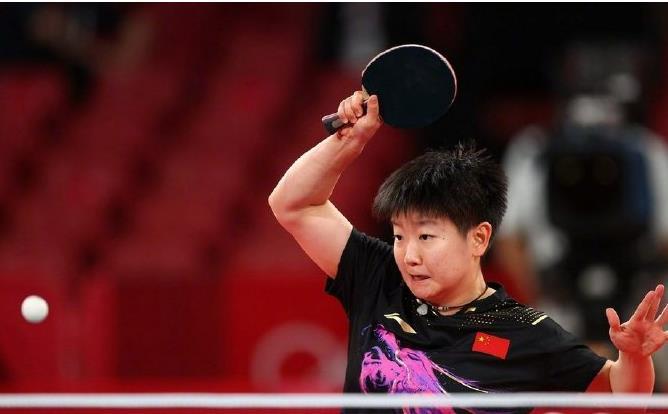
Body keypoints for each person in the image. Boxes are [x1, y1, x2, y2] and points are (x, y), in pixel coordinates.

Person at [268, 91, 668, 412]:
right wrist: (350, 140)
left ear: (478, 238)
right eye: (399, 236)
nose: (409, 255)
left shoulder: (524, 332)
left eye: (426, 237)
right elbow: (293, 205)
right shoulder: (379, 277)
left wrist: (634, 357)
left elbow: (619, 396)